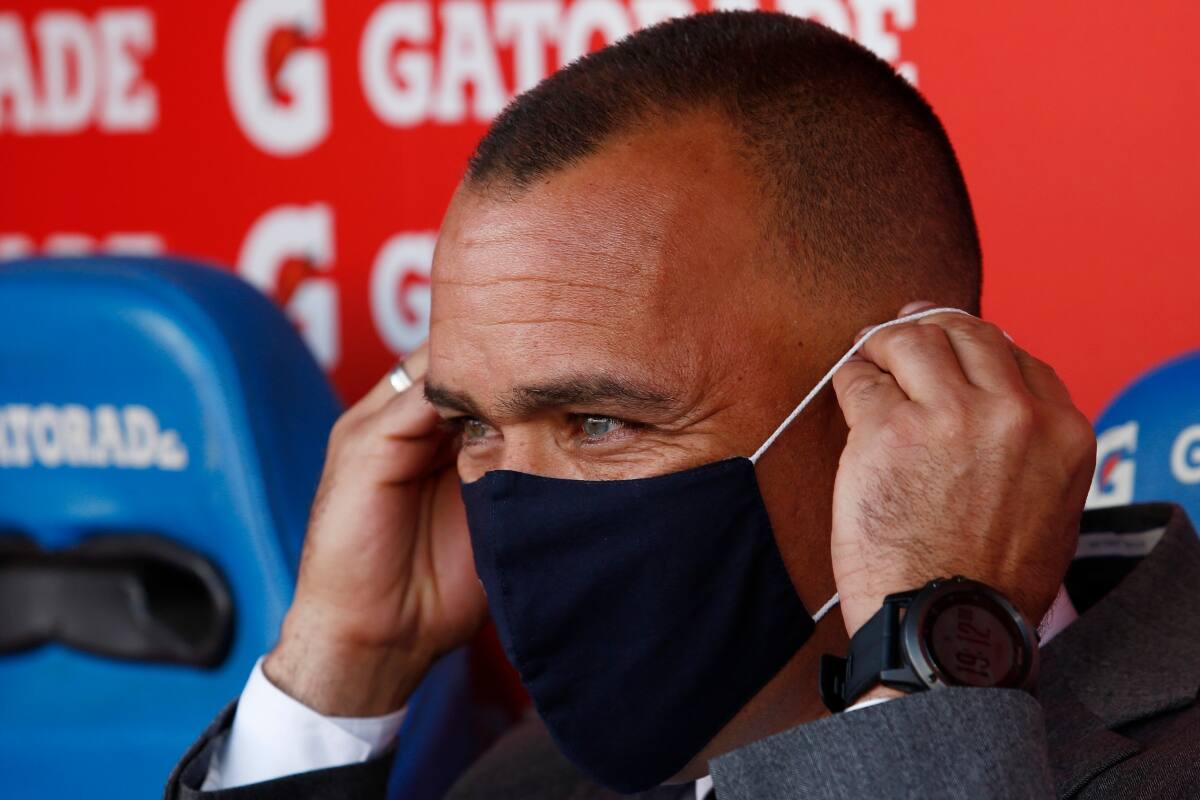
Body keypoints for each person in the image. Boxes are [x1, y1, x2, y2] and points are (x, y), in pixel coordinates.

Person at [167, 11, 1200, 799]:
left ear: (910, 391)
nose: (516, 513)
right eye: (473, 424)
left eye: (598, 422)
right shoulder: (526, 777)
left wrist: (935, 665)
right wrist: (336, 673)